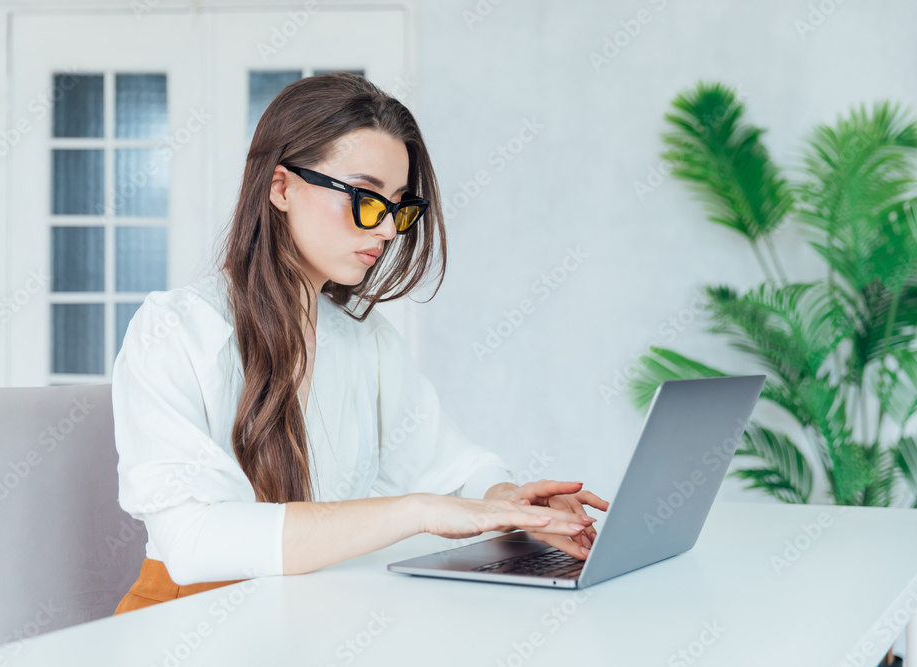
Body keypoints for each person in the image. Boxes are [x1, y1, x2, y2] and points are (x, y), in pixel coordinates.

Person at [112, 73, 608, 615]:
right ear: (281, 187)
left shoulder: (366, 340)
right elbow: (195, 541)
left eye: (398, 206)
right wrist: (417, 511)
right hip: (185, 619)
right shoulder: (176, 329)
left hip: (306, 613)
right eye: (366, 198)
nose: (388, 230)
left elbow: (452, 467)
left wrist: (509, 503)